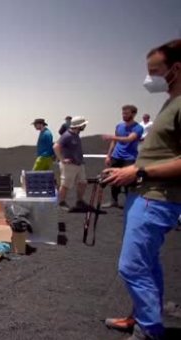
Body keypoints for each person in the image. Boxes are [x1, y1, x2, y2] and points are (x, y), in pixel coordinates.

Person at [103, 39, 181, 340]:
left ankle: (148, 330)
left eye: (155, 71)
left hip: (156, 198)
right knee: (148, 264)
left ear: (175, 68)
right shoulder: (169, 102)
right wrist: (129, 173)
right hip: (145, 193)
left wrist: (139, 170)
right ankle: (142, 317)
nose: (149, 78)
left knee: (132, 266)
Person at [101, 105, 144, 208]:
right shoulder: (119, 126)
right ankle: (113, 201)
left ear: (133, 114)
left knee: (129, 181)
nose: (124, 115)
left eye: (127, 113)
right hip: (116, 156)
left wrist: (112, 136)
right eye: (123, 113)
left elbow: (129, 139)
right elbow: (114, 141)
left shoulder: (138, 128)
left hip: (129, 158)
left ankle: (130, 203)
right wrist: (109, 155)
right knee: (113, 179)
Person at [53, 116, 91, 211]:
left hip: (79, 163)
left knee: (83, 182)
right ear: (79, 126)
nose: (85, 126)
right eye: (83, 125)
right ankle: (61, 202)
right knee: (65, 184)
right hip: (69, 165)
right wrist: (62, 159)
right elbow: (56, 147)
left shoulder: (75, 134)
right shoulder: (67, 135)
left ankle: (80, 201)